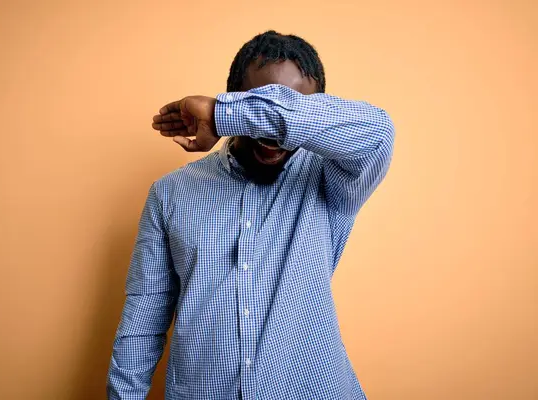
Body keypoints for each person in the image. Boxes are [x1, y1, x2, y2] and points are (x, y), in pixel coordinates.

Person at [107, 30, 395, 400]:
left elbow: (379, 131)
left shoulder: (332, 178)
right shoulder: (170, 193)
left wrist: (222, 115)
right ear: (235, 95)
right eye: (258, 108)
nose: (273, 138)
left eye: (283, 116)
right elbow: (143, 321)